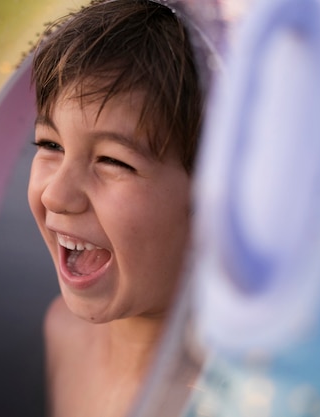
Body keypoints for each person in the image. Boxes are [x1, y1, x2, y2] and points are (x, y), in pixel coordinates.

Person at [27, 1, 210, 416]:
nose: (56, 195)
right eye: (50, 145)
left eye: (113, 161)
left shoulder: (229, 400)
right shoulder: (63, 332)